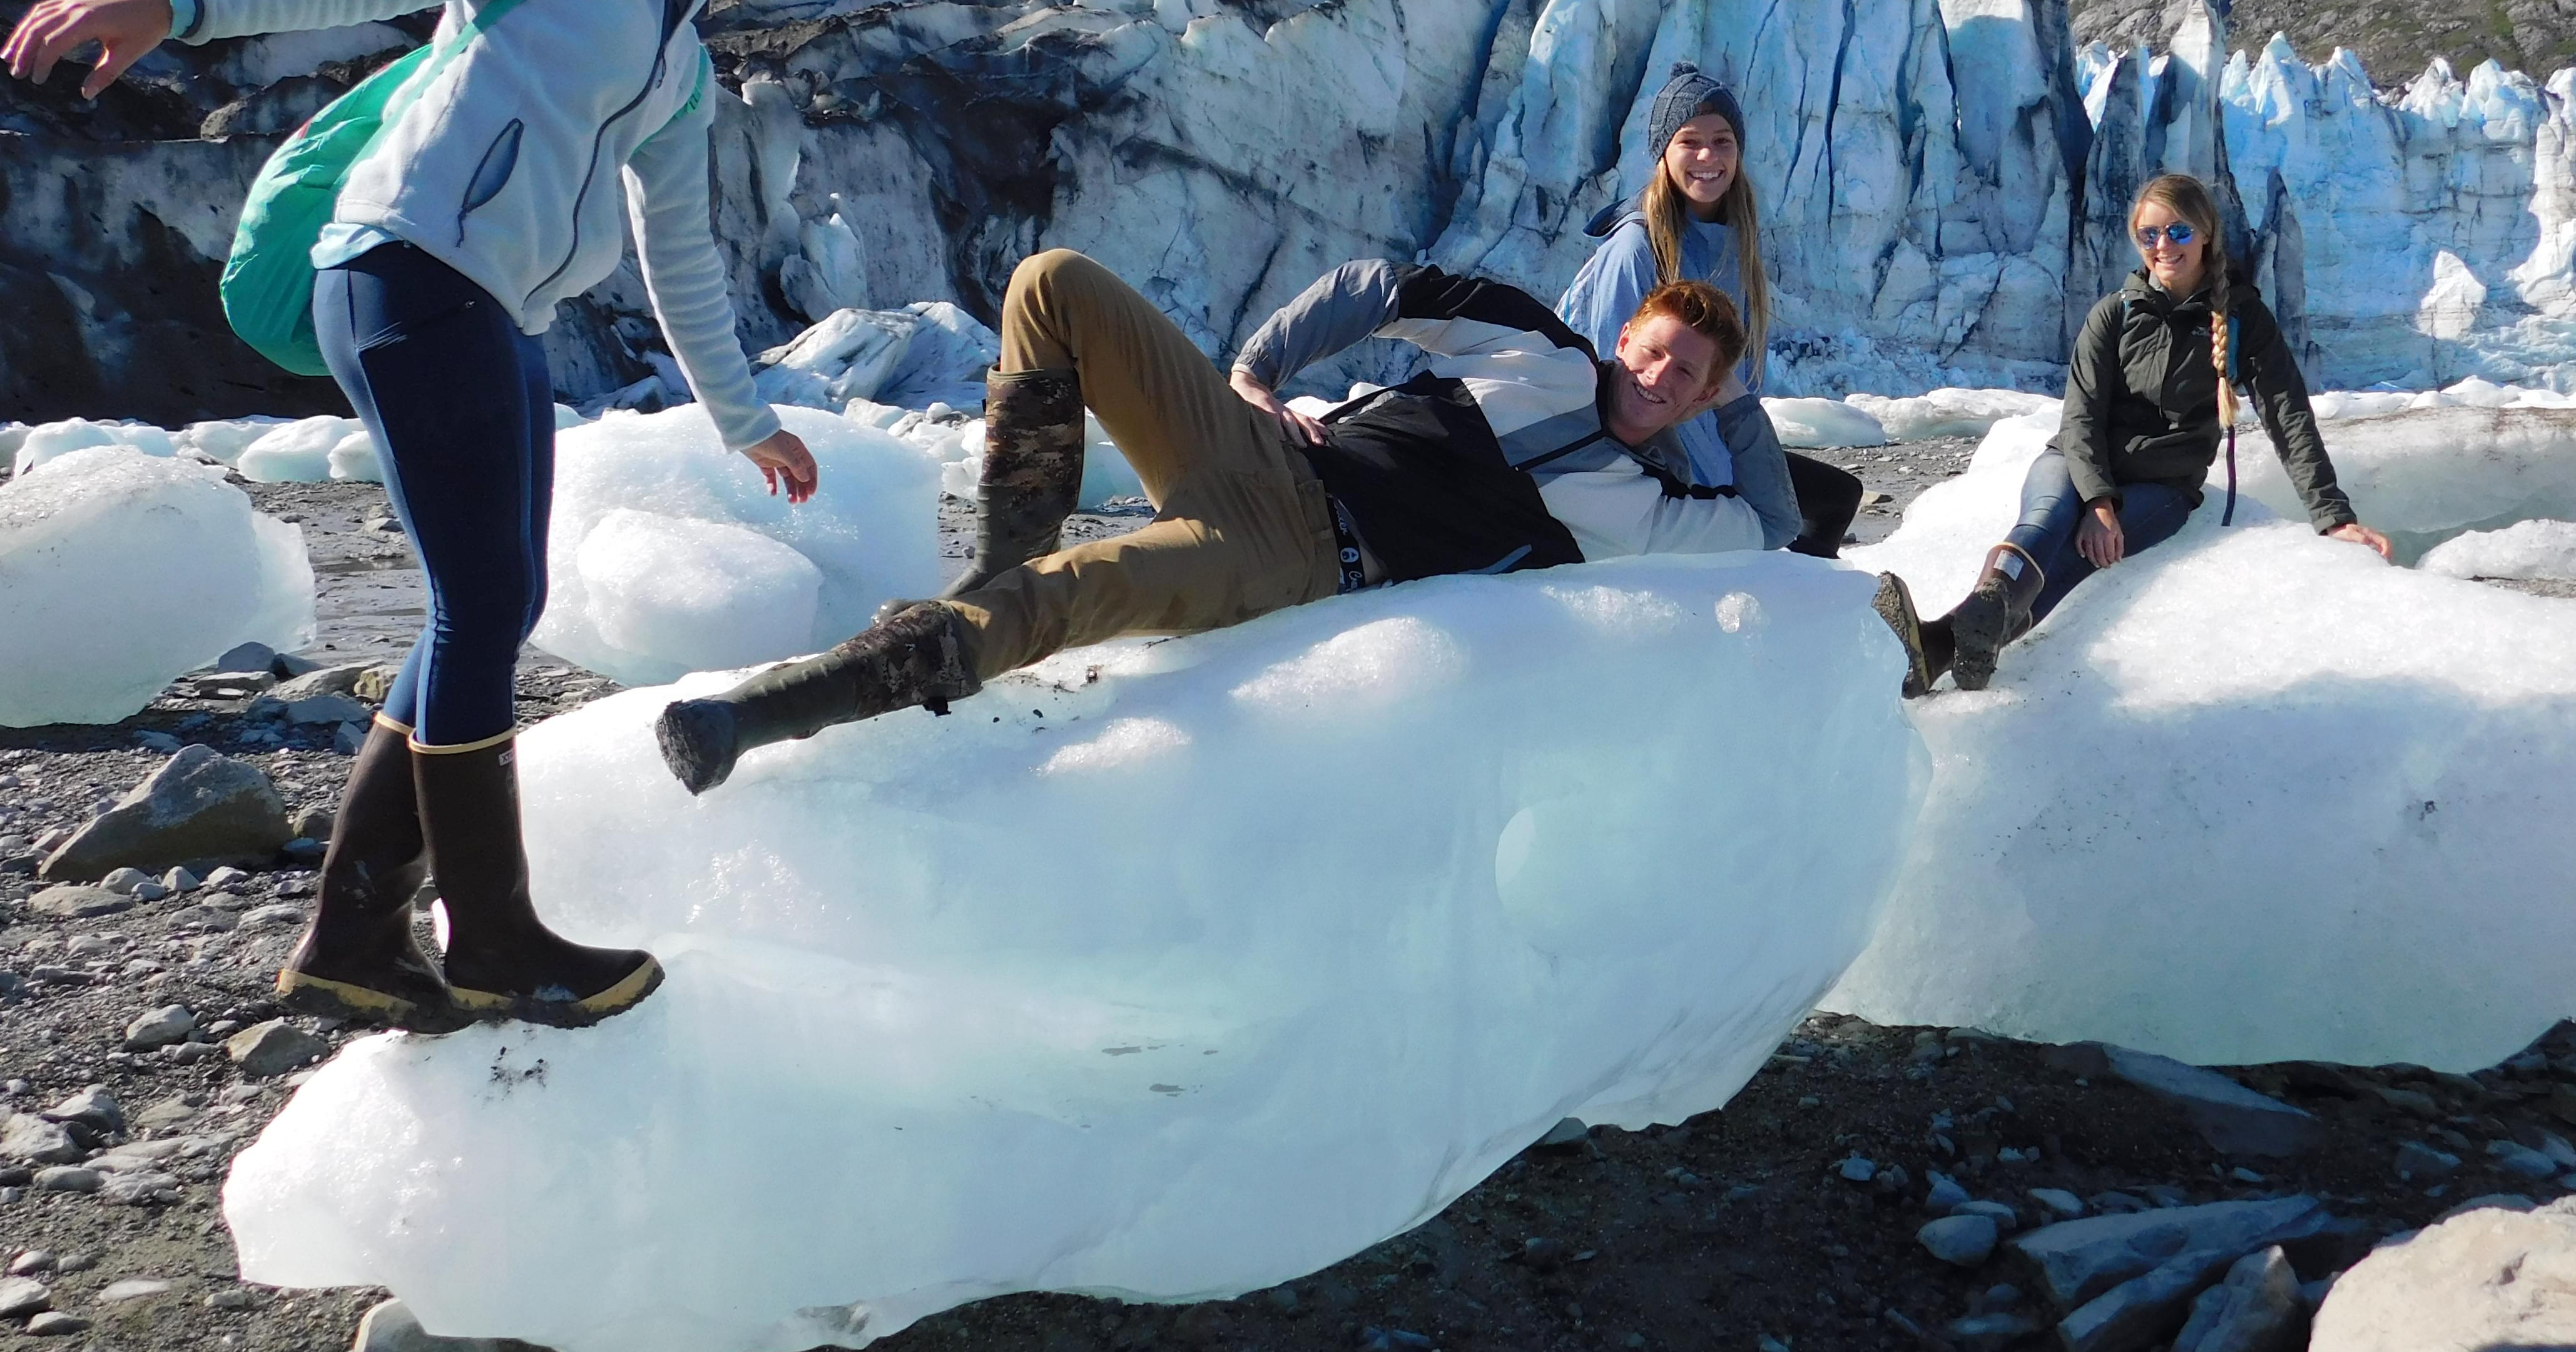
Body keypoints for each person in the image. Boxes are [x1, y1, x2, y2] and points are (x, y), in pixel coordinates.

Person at [0, 0, 820, 1032]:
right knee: (482, 596)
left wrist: (748, 418)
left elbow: (684, 252)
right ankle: (491, 935)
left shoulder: (686, 64)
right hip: (402, 263)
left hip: (501, 308)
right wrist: (173, 0)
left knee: (494, 599)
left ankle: (352, 937)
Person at [654, 247, 1787, 792]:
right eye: (1650, 349)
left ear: (1700, 398)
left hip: (1290, 554)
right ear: (1623, 334)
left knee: (1075, 597)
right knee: (1052, 285)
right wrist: (1255, 372)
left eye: (1685, 376)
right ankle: (998, 564)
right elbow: (1379, 287)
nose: (1655, 375)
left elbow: (1773, 525)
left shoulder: (1646, 514)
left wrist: (1739, 411)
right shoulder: (1538, 347)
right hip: (1257, 447)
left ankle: (768, 713)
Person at [1893, 170, 2391, 695]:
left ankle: (1940, 645)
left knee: (2076, 557)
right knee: (2042, 526)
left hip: (2162, 487)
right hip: (2077, 462)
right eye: (2149, 234)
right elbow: (2081, 415)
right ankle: (1968, 629)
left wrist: (2333, 516)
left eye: (2178, 232)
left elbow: (2288, 416)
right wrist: (2100, 501)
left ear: (2206, 235)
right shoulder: (2115, 313)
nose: (2163, 246)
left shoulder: (2244, 320)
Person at [1556, 64, 1863, 557]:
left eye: (1723, 141)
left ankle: (1811, 615)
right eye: (1689, 142)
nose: (1708, 157)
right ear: (1663, 153)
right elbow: (1609, 379)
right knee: (1779, 520)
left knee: (1837, 497)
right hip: (1654, 452)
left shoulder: (1733, 239)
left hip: (1708, 439)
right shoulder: (1638, 246)